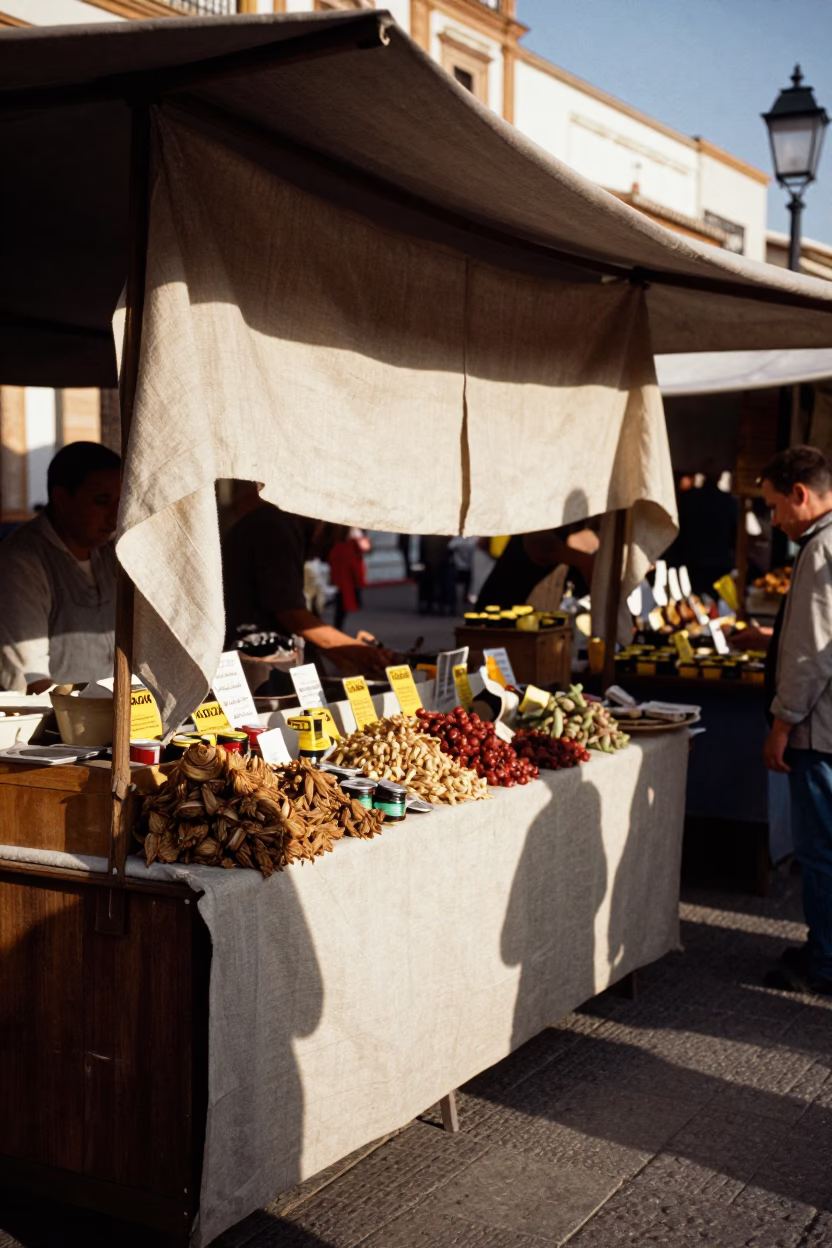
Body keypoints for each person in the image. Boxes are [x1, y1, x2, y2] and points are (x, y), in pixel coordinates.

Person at [759, 446, 832, 996]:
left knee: (821, 850)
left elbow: (811, 651)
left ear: (800, 496)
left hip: (821, 730)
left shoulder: (821, 549)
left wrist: (783, 721)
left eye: (775, 505)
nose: (774, 520)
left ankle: (825, 962)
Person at [221, 494, 393, 680]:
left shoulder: (282, 525)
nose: (327, 553)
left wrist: (340, 653)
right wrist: (357, 651)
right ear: (326, 520)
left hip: (260, 651)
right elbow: (292, 615)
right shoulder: (277, 527)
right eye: (339, 536)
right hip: (252, 655)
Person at [0, 441, 120, 695]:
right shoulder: (21, 562)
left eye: (120, 501)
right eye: (102, 501)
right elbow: (29, 680)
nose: (114, 515)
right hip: (57, 727)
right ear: (62, 500)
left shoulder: (111, 552)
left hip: (118, 717)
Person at [475, 523, 599, 609]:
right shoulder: (540, 534)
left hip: (530, 626)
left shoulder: (564, 534)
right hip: (499, 623)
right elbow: (587, 562)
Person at [328, 527, 368, 630]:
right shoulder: (345, 538)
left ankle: (338, 626)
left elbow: (365, 548)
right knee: (341, 602)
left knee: (342, 601)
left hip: (345, 571)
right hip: (344, 572)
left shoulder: (348, 538)